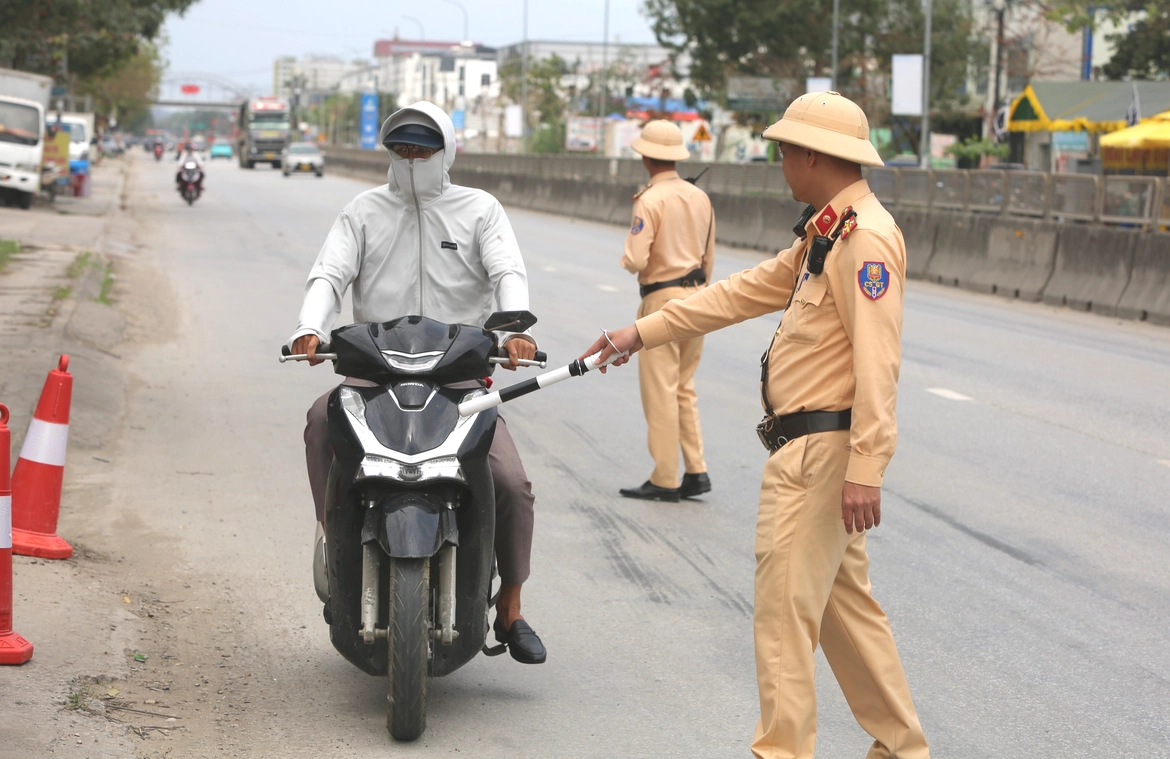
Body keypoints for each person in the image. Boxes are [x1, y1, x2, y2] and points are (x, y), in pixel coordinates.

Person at [580, 92, 930, 758]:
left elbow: (877, 364)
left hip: (819, 455)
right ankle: (902, 748)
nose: (778, 163)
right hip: (814, 450)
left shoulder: (866, 238)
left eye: (783, 151)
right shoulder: (829, 229)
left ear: (814, 154)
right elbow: (742, 291)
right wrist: (642, 331)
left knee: (781, 625)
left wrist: (867, 467)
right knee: (845, 613)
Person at [289, 101, 547, 664]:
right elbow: (330, 272)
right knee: (317, 424)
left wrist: (517, 326)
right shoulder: (363, 211)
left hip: (460, 382)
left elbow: (507, 271)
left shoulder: (480, 211)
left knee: (510, 483)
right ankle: (334, 538)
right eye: (401, 148)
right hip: (372, 373)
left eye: (422, 148)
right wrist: (311, 326)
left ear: (447, 151)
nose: (411, 159)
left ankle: (512, 606)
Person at [617, 120, 715, 503]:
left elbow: (636, 258)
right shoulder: (700, 196)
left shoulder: (650, 200)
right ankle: (696, 469)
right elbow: (709, 255)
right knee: (684, 387)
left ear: (645, 156)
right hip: (699, 297)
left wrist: (628, 256)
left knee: (660, 391)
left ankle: (665, 478)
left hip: (661, 298)